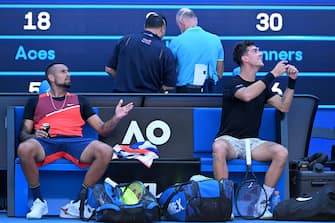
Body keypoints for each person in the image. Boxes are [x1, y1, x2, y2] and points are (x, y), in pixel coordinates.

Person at [17, 62, 134, 219]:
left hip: (75, 142)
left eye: (68, 71)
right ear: (51, 77)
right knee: (24, 149)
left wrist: (116, 117)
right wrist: (35, 135)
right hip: (47, 143)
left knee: (105, 151)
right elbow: (23, 134)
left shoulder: (80, 100)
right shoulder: (35, 101)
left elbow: (102, 129)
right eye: (63, 71)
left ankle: (79, 202)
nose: (68, 74)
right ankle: (38, 201)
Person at [212, 40, 298, 219]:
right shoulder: (232, 82)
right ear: (245, 58)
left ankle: (261, 203)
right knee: (218, 147)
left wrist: (291, 83)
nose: (260, 53)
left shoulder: (263, 86)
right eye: (255, 51)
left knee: (281, 152)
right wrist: (273, 74)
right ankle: (225, 204)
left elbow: (284, 107)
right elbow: (247, 95)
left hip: (253, 143)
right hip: (230, 141)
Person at [105, 12, 176, 93]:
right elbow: (169, 86)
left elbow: (109, 69)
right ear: (162, 29)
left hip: (121, 100)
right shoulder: (165, 51)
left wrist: (124, 82)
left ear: (145, 26)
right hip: (148, 101)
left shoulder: (125, 41)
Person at [169, 8, 224, 93]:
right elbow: (219, 73)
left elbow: (170, 70)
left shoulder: (176, 41)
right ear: (196, 21)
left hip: (185, 92)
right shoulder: (215, 40)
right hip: (210, 90)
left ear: (181, 22)